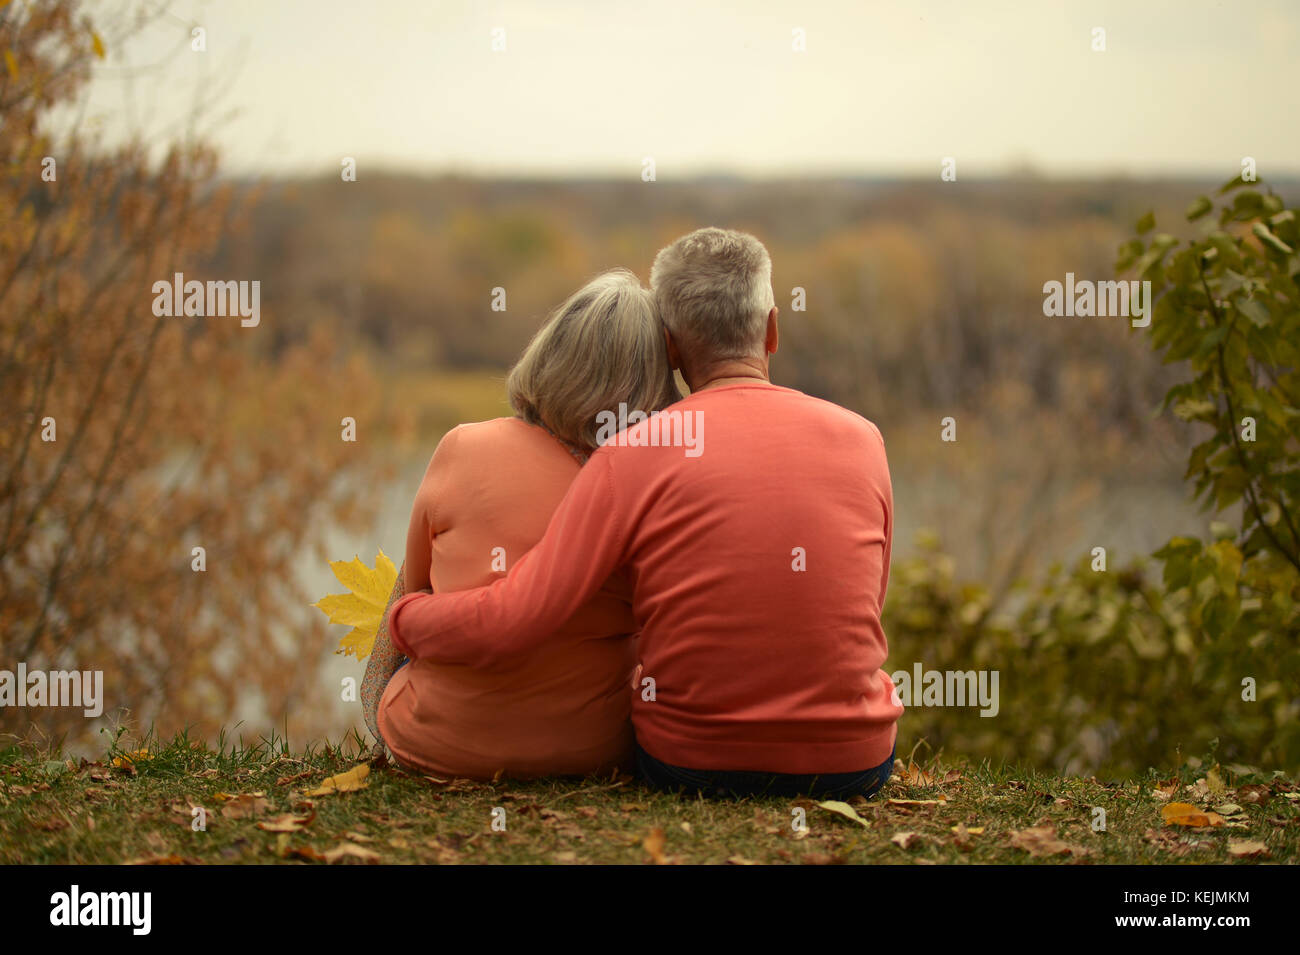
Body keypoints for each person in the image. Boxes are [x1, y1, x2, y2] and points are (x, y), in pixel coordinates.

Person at [388, 228, 902, 798]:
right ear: (773, 328)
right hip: (854, 763)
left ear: (672, 347)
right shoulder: (864, 439)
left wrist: (402, 619)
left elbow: (519, 613)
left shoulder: (635, 451)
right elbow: (863, 603)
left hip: (690, 763)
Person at [360, 268, 680, 779]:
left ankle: (376, 709)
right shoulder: (651, 485)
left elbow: (417, 584)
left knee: (423, 570)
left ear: (550, 352)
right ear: (653, 384)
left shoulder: (463, 445)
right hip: (595, 748)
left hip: (434, 741)